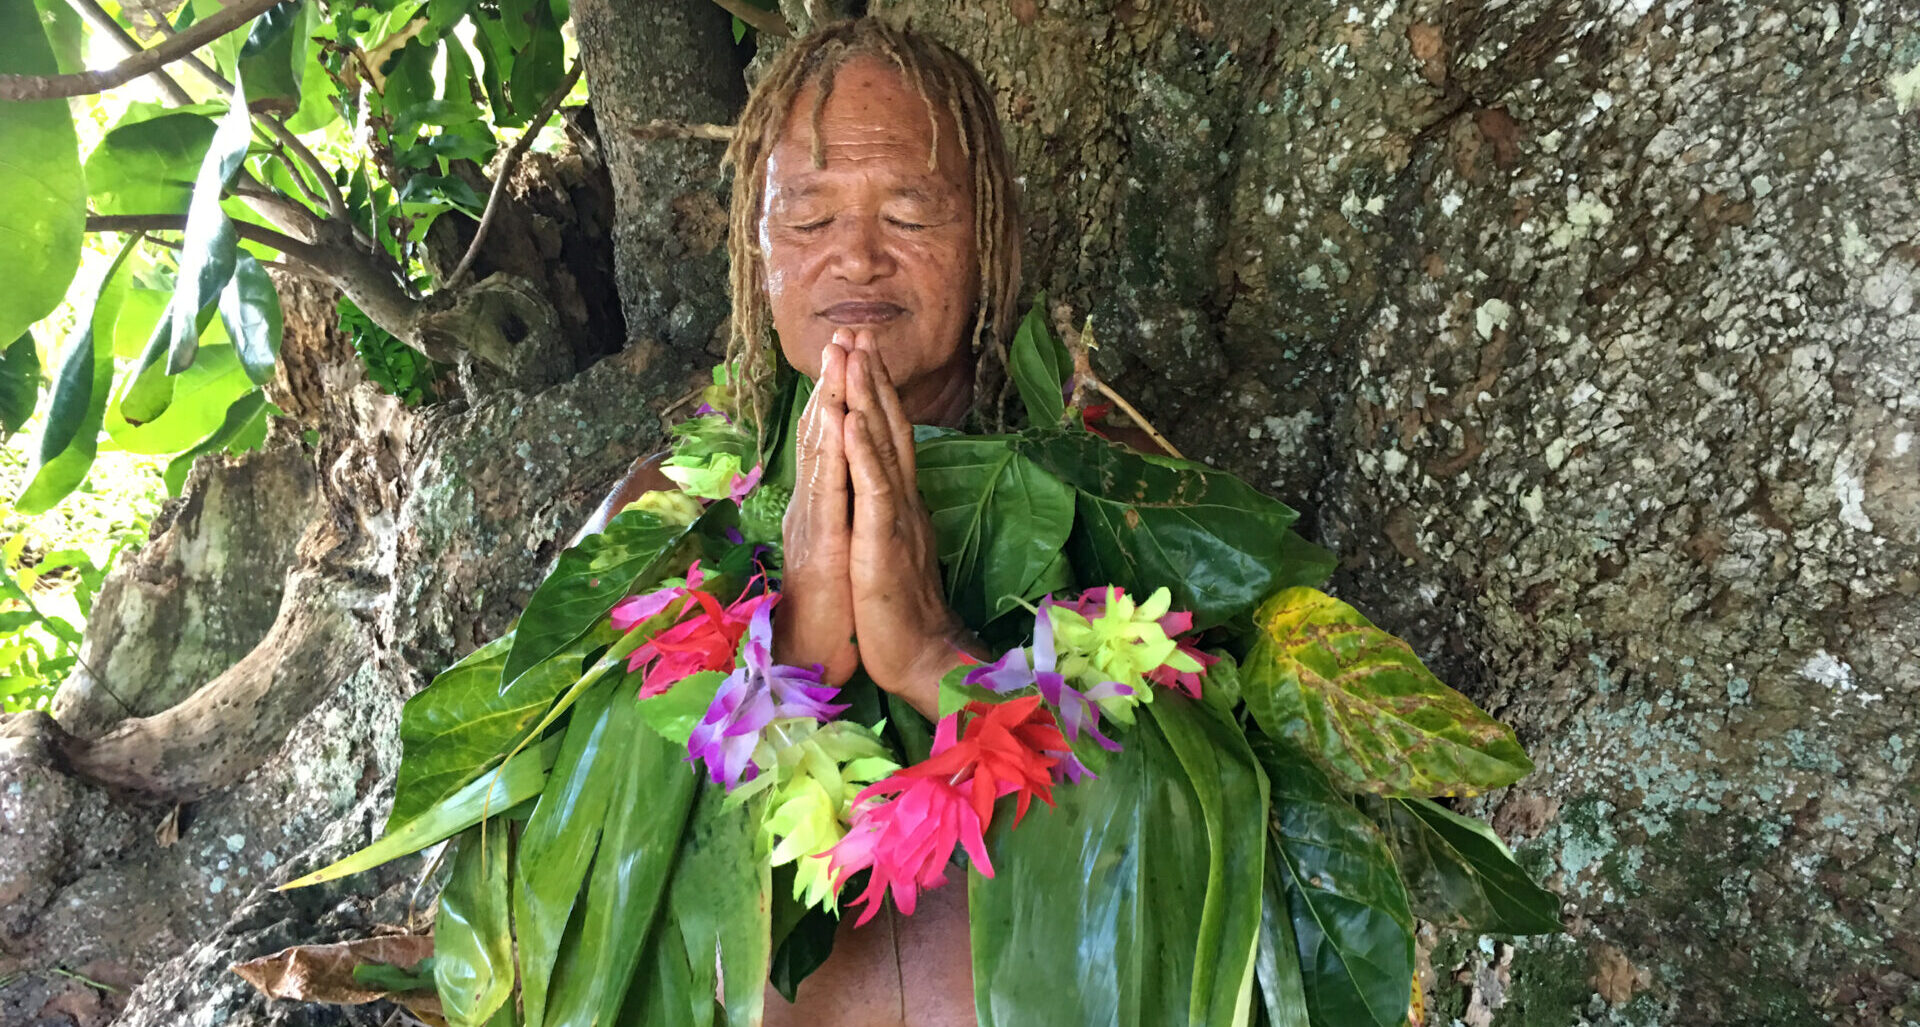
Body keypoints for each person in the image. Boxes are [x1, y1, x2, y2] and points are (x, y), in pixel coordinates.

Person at [580, 18, 1026, 1027]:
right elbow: (574, 889)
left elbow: (1191, 869)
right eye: (811, 220)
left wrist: (936, 661)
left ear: (989, 236)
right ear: (759, 249)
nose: (858, 260)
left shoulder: (1124, 515)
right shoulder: (656, 522)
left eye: (910, 216)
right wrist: (800, 660)